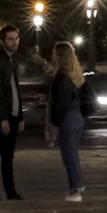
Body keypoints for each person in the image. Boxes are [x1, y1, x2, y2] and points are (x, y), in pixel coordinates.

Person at [0, 25, 25, 201]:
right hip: (3, 117)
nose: (14, 42)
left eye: (16, 38)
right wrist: (2, 119)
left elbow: (15, 89)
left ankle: (10, 191)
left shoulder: (11, 61)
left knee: (7, 156)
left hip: (12, 115)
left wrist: (20, 116)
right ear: (2, 41)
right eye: (10, 39)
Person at [45, 41, 89, 202]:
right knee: (73, 153)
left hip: (67, 118)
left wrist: (54, 124)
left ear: (59, 56)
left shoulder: (61, 76)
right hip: (77, 116)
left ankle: (76, 189)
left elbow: (59, 103)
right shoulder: (76, 74)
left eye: (54, 53)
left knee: (69, 155)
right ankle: (76, 187)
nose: (52, 56)